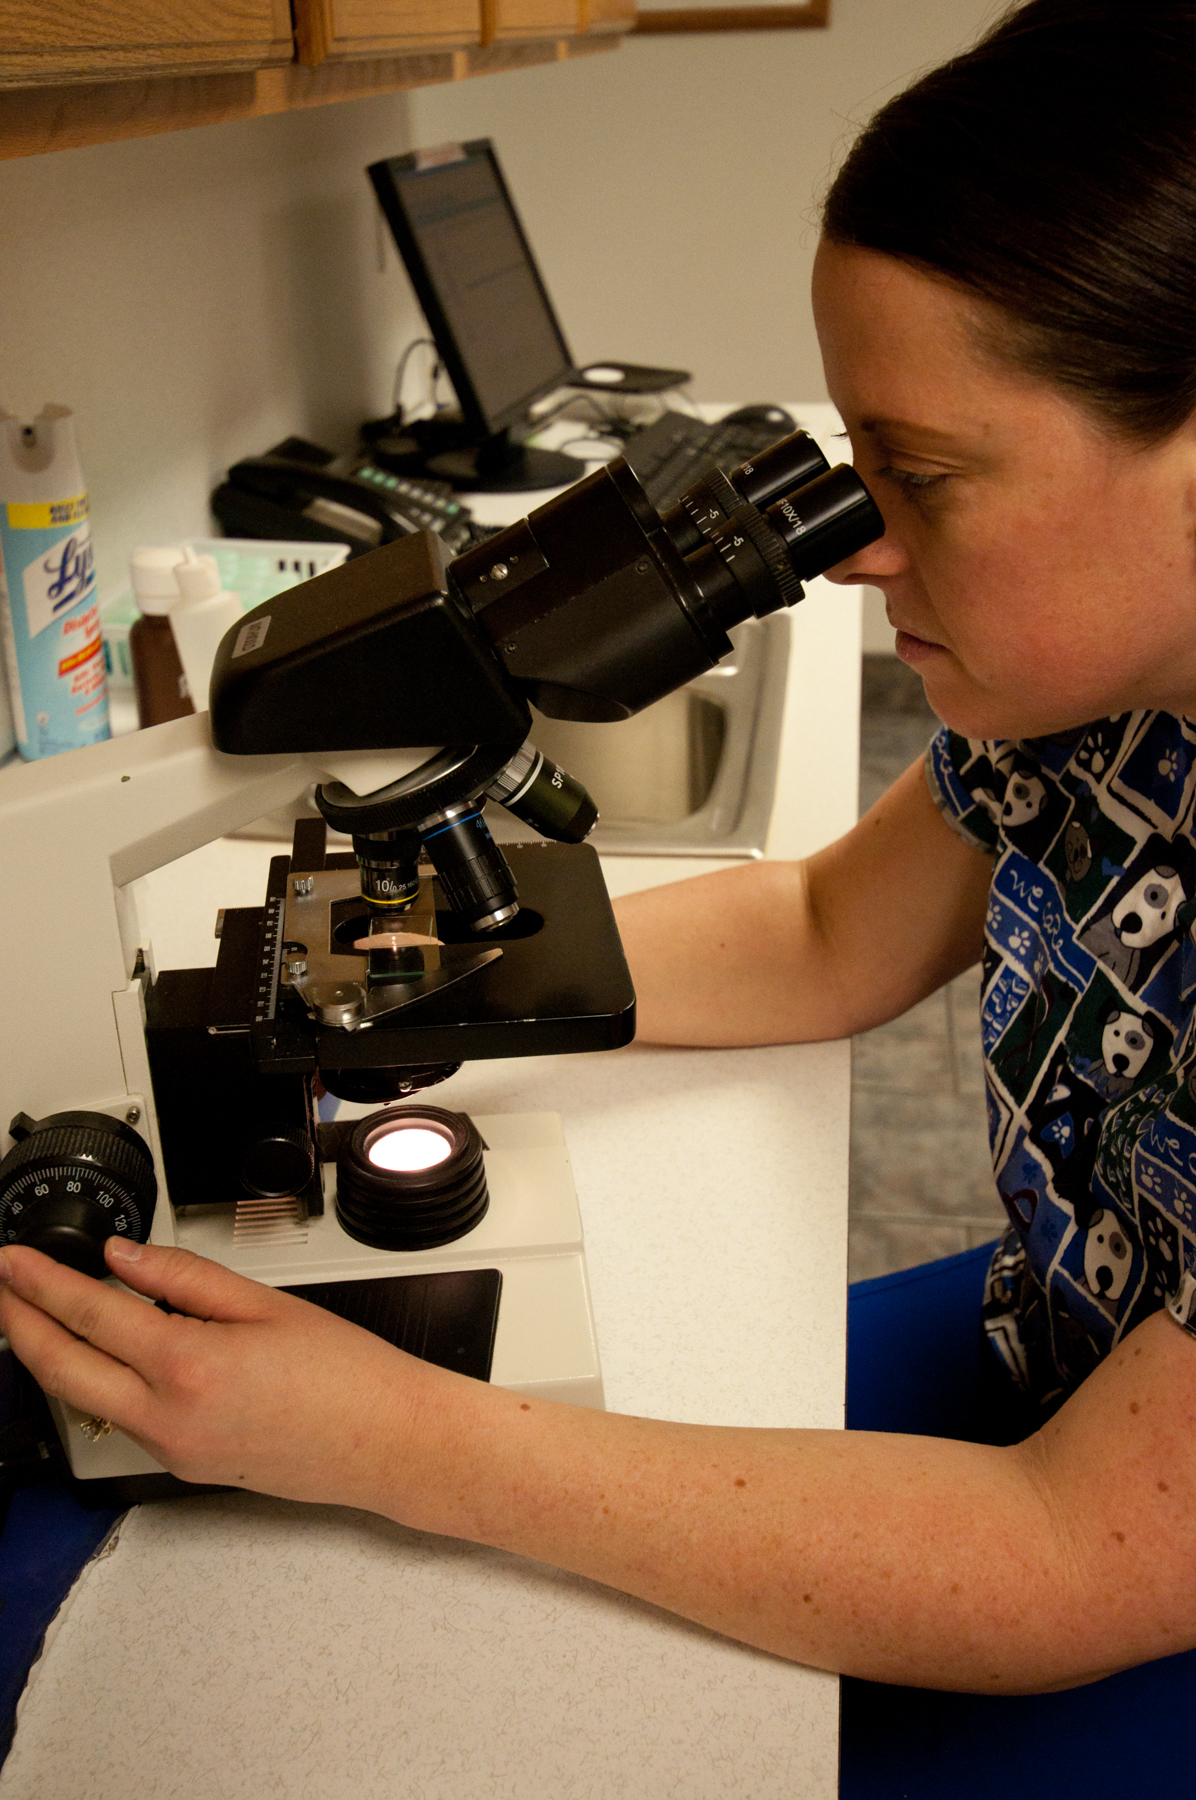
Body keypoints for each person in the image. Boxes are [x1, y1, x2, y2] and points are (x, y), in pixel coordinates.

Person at [4, 0, 1196, 1788]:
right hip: (1081, 1352)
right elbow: (827, 934)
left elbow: (1069, 1553)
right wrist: (407, 972)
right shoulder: (1097, 706)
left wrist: (399, 1438)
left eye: (926, 477)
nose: (856, 547)